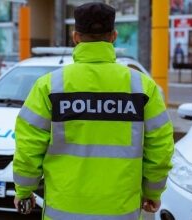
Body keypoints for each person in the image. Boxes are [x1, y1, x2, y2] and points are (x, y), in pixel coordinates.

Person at [13, 2, 174, 219]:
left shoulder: (50, 86)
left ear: (75, 37)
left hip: (64, 211)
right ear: (114, 36)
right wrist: (152, 191)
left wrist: (24, 191)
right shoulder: (142, 87)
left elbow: (28, 146)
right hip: (120, 211)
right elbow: (160, 148)